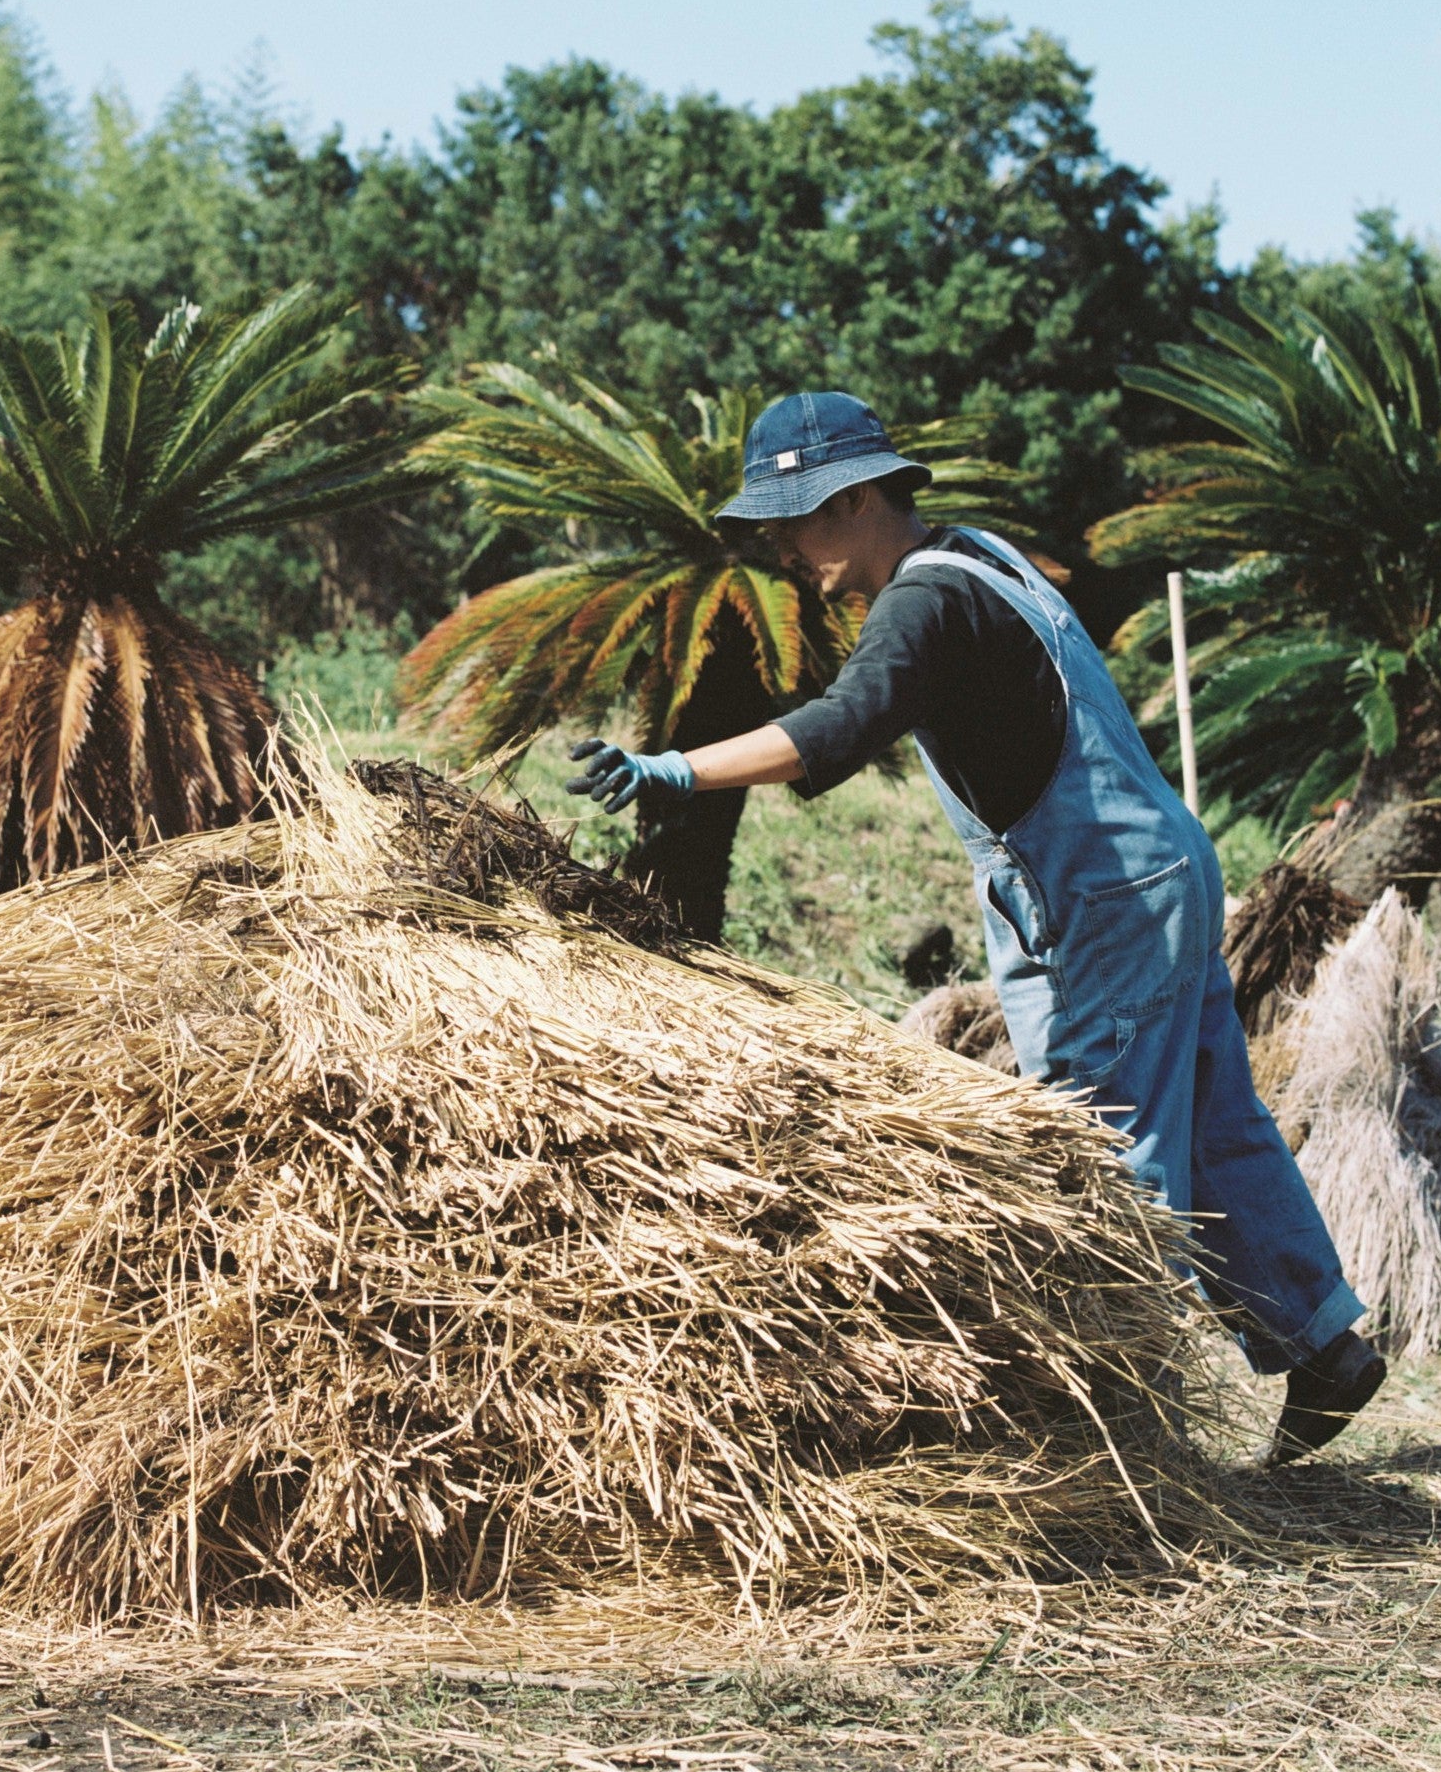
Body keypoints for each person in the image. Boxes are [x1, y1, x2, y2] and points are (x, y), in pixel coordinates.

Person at [567, 391, 1386, 1464]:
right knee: (1211, 1118)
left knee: (1101, 1147)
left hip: (1100, 894)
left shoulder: (919, 602)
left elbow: (843, 723)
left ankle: (1113, 1436)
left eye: (793, 519)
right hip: (1157, 866)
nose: (778, 546)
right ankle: (1322, 1345)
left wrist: (681, 765)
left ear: (855, 498)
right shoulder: (983, 556)